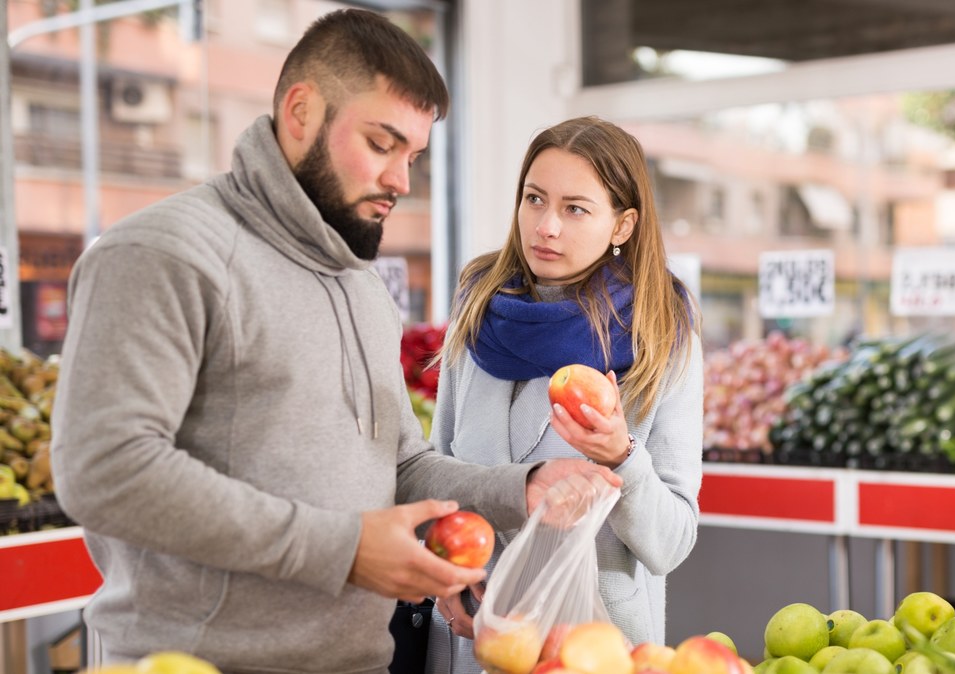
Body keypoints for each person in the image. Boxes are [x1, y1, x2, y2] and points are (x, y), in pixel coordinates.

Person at [49, 10, 618, 673]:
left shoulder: (361, 289)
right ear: (300, 112)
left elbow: (398, 465)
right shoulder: (163, 254)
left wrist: (520, 487)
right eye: (382, 143)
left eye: (413, 156)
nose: (402, 182)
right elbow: (106, 470)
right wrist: (343, 549)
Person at [422, 116, 704, 673]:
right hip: (471, 636)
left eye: (575, 208)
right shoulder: (478, 308)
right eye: (534, 199)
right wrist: (441, 568)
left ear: (622, 225)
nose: (546, 225)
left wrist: (622, 456)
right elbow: (434, 470)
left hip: (593, 649)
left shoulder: (660, 332)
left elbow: (671, 543)